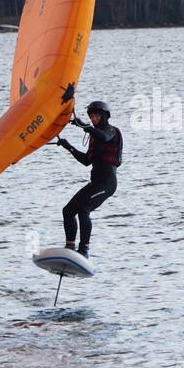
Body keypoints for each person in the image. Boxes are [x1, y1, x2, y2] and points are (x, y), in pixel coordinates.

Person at [53, 100, 122, 257]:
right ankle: (69, 248)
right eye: (91, 116)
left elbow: (104, 137)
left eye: (96, 116)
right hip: (96, 183)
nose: (93, 119)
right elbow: (86, 161)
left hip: (107, 183)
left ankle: (83, 250)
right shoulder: (93, 136)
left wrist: (85, 126)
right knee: (68, 211)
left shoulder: (111, 131)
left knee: (84, 210)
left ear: (104, 116)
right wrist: (68, 146)